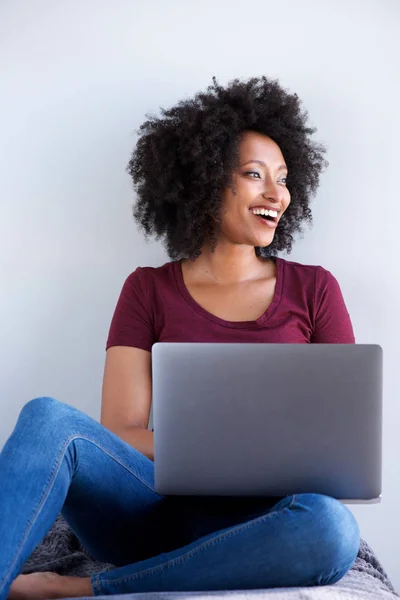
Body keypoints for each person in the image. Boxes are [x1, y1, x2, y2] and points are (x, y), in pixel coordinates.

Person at [1, 76, 360, 600]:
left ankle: (83, 589)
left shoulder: (316, 290)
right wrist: (216, 450)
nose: (276, 194)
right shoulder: (147, 288)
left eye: (283, 179)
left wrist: (259, 460)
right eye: (255, 175)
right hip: (152, 510)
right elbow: (121, 429)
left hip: (263, 521)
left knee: (333, 529)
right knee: (48, 418)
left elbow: (341, 447)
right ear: (208, 179)